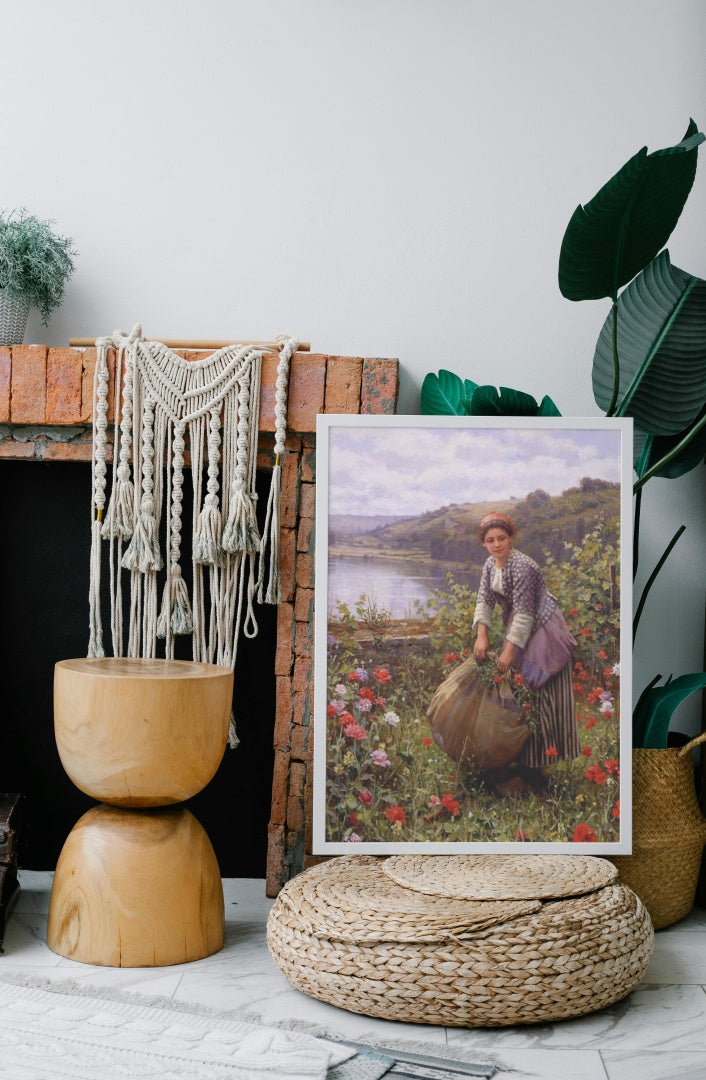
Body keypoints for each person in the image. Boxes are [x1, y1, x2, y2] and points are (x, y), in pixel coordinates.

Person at [472, 512, 578, 792]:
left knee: (534, 688)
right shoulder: (489, 565)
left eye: (502, 539)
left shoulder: (524, 567)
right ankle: (518, 763)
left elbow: (523, 615)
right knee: (519, 691)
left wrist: (507, 654)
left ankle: (536, 769)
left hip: (543, 630)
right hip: (520, 631)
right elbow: (483, 600)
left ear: (511, 538)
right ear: (483, 543)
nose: (497, 545)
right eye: (490, 540)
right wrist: (482, 635)